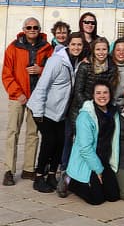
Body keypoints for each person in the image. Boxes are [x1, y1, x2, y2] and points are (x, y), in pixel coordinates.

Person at [27, 33, 84, 193]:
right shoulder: (56, 61)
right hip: (44, 109)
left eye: (79, 45)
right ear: (68, 44)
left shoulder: (76, 61)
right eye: (73, 44)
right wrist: (38, 112)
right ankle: (39, 177)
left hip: (59, 112)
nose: (76, 47)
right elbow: (42, 85)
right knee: (49, 141)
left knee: (60, 142)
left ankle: (52, 175)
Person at [2, 17, 52, 186]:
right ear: (24, 29)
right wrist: (17, 93)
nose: (32, 30)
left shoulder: (46, 48)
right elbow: (7, 74)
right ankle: (9, 169)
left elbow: (53, 70)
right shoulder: (13, 48)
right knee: (12, 132)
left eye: (35, 27)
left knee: (32, 134)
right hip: (18, 97)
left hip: (36, 98)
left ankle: (29, 169)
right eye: (29, 27)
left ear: (39, 29)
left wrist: (41, 69)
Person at [59, 81, 120, 205]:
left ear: (110, 94)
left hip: (104, 158)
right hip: (88, 160)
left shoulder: (113, 113)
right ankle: (70, 180)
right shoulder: (85, 116)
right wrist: (98, 170)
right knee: (96, 199)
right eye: (98, 93)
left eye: (105, 93)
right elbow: (85, 149)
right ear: (92, 95)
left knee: (113, 196)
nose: (102, 96)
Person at [69, 37, 116, 127]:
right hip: (82, 108)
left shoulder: (111, 67)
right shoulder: (85, 66)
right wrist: (90, 107)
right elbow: (78, 91)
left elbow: (110, 90)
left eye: (104, 49)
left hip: (101, 108)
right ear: (93, 51)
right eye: (98, 49)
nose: (101, 53)